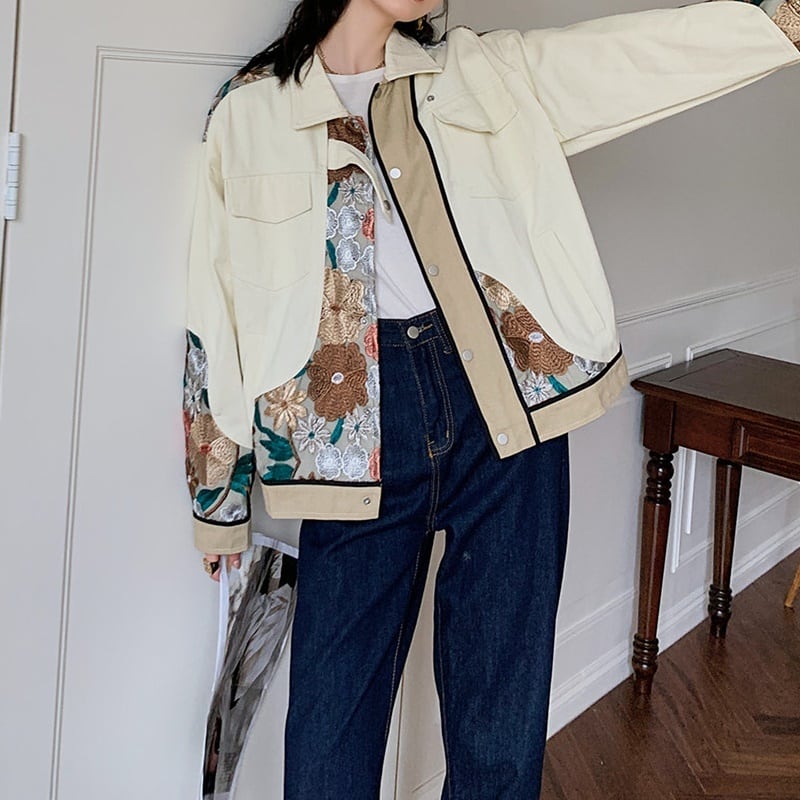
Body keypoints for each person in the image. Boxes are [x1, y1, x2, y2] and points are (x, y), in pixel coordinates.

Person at [181, 0, 800, 796]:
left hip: (505, 414)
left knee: (499, 733)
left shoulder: (478, 72)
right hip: (347, 444)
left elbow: (633, 57)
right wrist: (217, 496)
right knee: (328, 742)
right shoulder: (249, 112)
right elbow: (215, 311)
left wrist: (781, 23)